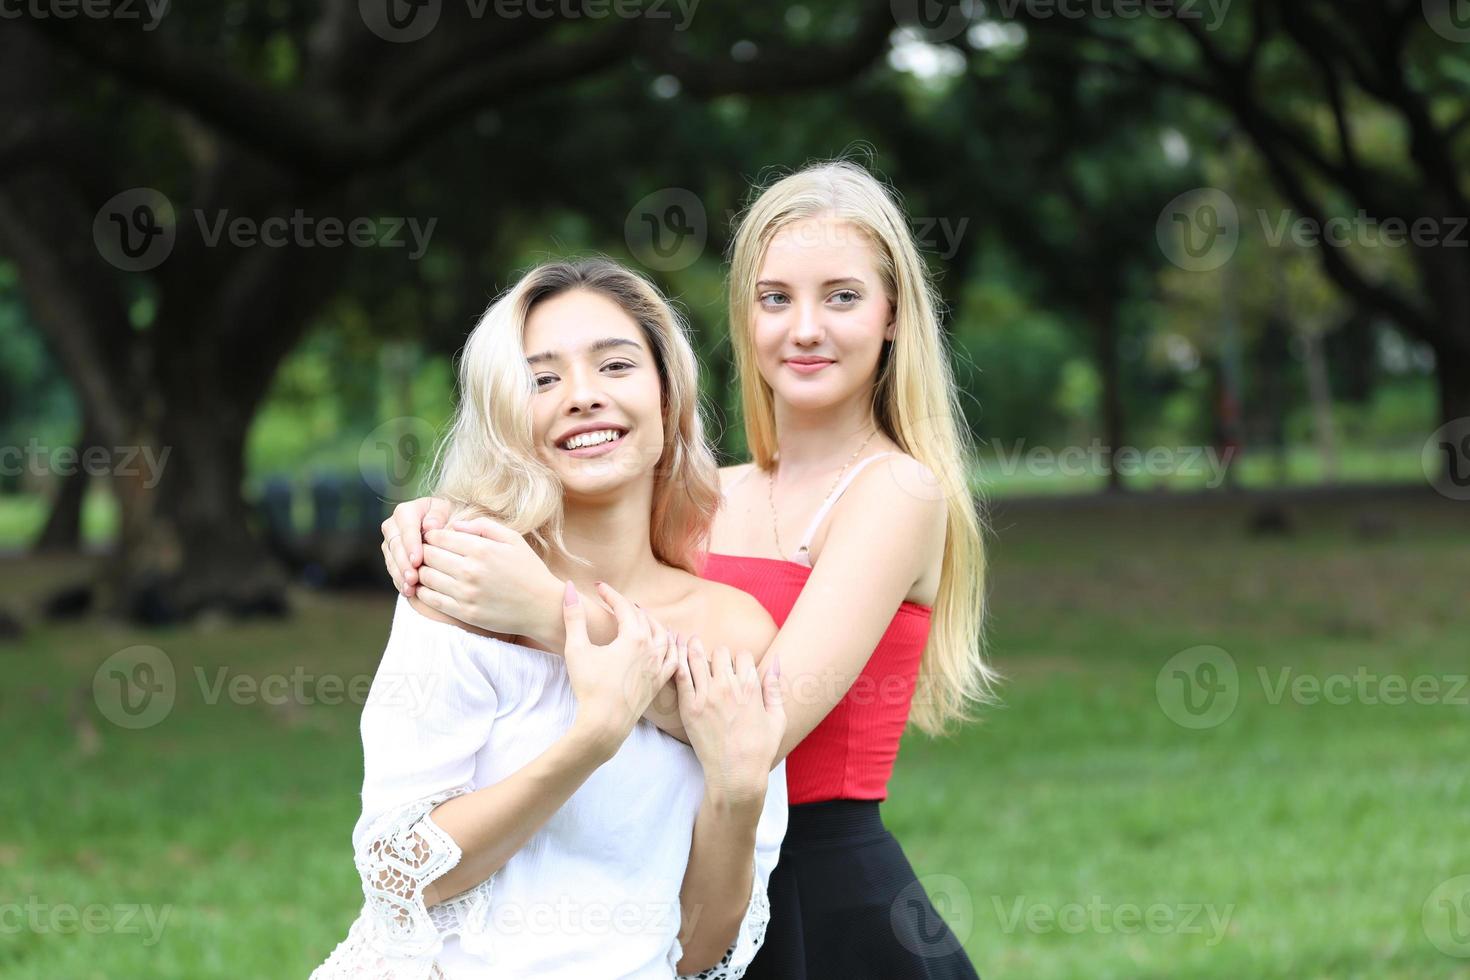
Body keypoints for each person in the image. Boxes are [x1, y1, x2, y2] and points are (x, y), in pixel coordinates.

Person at [383, 161, 997, 977]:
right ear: (744, 316)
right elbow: (613, 562)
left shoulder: (897, 489)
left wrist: (543, 612)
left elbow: (756, 727)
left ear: (893, 317)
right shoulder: (709, 494)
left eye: (842, 297)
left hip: (820, 890)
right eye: (776, 298)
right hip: (664, 877)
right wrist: (437, 520)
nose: (805, 327)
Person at [314, 258, 788, 979]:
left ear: (668, 398)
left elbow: (699, 952)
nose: (583, 397)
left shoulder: (734, 633)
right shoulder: (461, 587)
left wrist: (738, 789)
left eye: (616, 365)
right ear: (506, 416)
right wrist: (592, 738)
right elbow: (401, 875)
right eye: (542, 379)